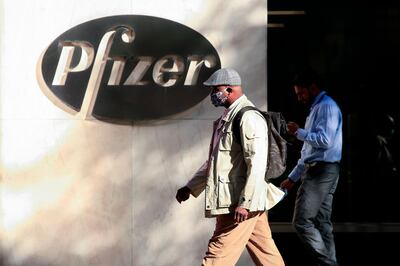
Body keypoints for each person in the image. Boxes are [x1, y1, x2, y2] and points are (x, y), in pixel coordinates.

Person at [176, 68, 285, 266]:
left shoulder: (248, 118)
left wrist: (245, 202)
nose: (211, 95)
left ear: (229, 89)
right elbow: (215, 161)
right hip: (243, 202)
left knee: (216, 258)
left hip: (238, 204)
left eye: (215, 90)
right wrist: (190, 187)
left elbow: (257, 164)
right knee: (267, 257)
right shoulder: (229, 118)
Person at [280, 68, 342, 266]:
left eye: (302, 93)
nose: (299, 98)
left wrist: (298, 132)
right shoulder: (319, 108)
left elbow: (324, 141)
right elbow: (309, 151)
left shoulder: (326, 107)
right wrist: (293, 177)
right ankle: (329, 262)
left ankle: (329, 264)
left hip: (321, 171)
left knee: (301, 222)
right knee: (322, 223)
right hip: (323, 169)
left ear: (313, 88)